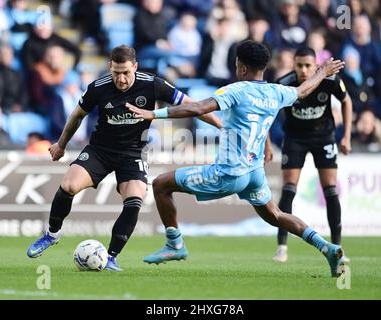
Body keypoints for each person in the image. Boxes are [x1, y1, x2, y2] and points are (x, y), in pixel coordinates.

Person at [128, 40, 347, 277]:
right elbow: (303, 90)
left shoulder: (235, 90)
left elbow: (199, 108)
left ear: (241, 67)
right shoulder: (277, 91)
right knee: (276, 215)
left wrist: (153, 113)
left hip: (228, 173)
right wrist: (322, 72)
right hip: (254, 173)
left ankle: (174, 245)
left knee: (161, 184)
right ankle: (327, 247)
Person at [26, 45, 221, 271]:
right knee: (68, 185)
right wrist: (61, 145)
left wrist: (220, 125)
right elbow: (77, 116)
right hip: (101, 149)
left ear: (135, 67)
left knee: (135, 198)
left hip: (133, 152)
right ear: (110, 67)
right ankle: (52, 234)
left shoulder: (152, 84)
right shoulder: (98, 87)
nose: (120, 78)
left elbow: (191, 105)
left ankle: (110, 257)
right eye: (116, 72)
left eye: (126, 72)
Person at [271, 47, 353, 263]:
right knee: (288, 190)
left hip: (323, 137)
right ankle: (282, 246)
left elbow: (347, 101)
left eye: (308, 65)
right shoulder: (285, 82)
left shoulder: (330, 81)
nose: (304, 70)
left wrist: (346, 137)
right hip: (294, 138)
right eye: (299, 65)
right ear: (294, 65)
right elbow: (269, 111)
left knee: (330, 190)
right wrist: (267, 143)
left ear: (316, 65)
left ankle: (338, 246)